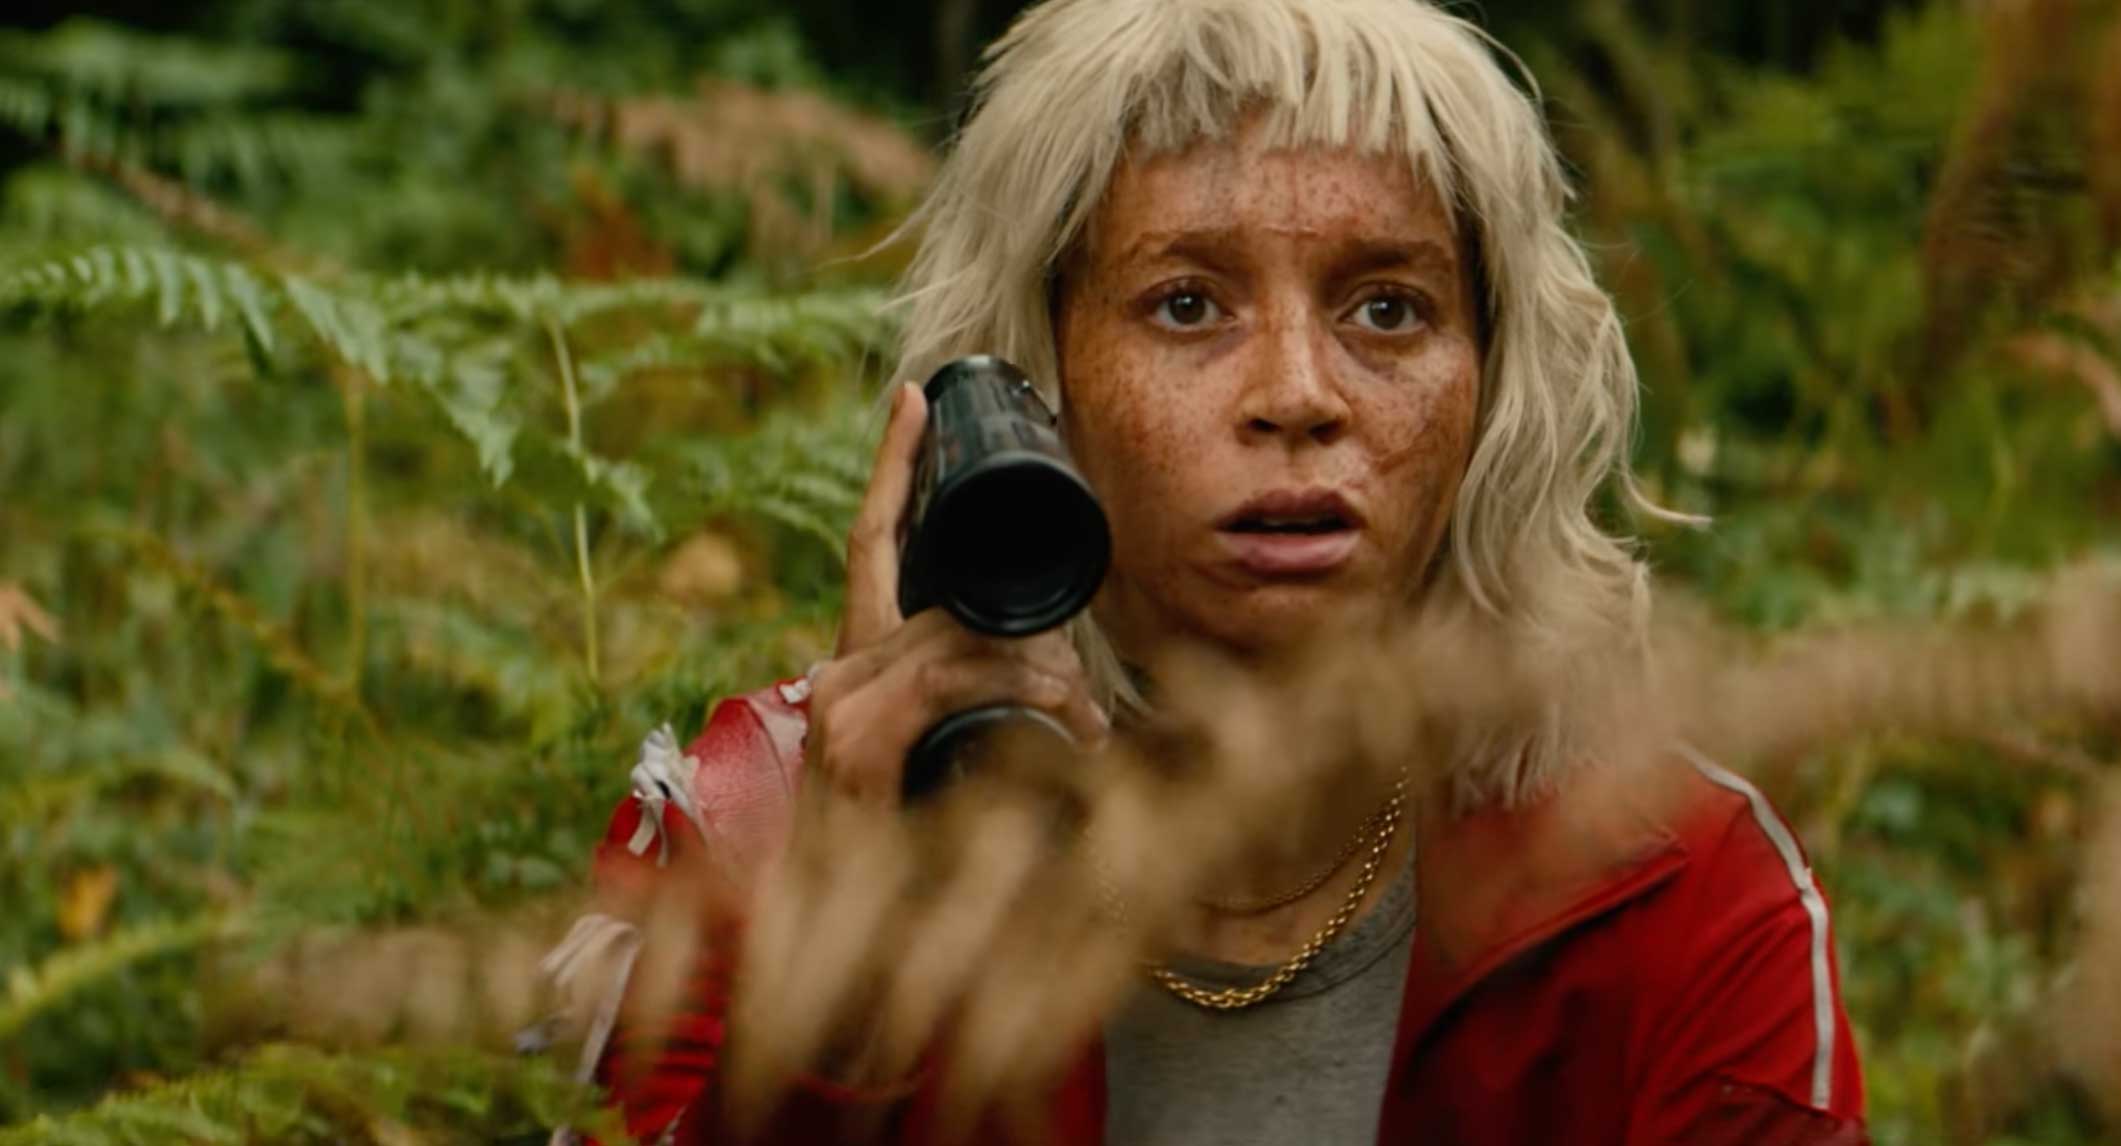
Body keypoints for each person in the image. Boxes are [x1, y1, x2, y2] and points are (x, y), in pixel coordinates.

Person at [545, 0, 1864, 1142]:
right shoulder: (754, 832)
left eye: (1387, 307)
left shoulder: (1682, 901)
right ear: (1034, 376)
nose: (1298, 394)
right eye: (1187, 304)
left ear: (1495, 384)